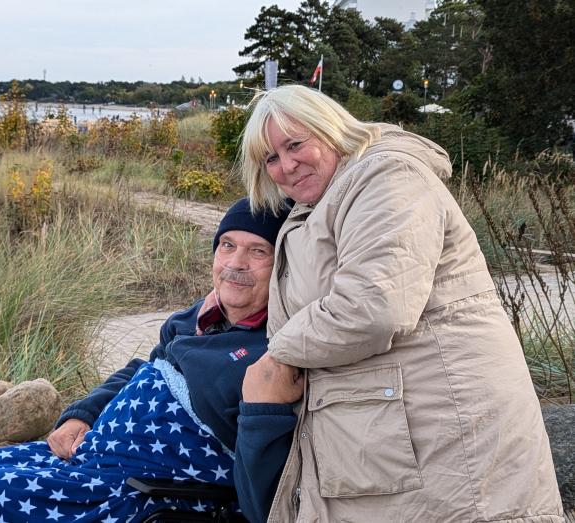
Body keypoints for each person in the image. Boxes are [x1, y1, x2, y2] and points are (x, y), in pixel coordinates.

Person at [238, 84, 563, 522]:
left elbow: (372, 307)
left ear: (330, 129)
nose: (286, 165)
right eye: (271, 158)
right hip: (385, 436)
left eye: (295, 144)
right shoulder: (314, 206)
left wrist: (274, 358)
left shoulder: (388, 176)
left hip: (439, 434)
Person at [0, 199, 301, 523]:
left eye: (257, 251)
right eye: (227, 246)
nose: (235, 263)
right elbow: (146, 369)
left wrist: (262, 412)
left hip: (149, 492)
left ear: (282, 267)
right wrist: (81, 414)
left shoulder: (271, 352)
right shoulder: (201, 316)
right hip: (99, 460)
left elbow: (267, 501)